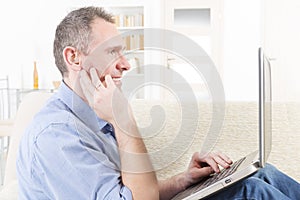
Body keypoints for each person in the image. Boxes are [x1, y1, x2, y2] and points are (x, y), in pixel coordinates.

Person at [17, 6, 300, 200]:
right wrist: (124, 119)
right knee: (250, 192)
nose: (126, 65)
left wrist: (184, 181)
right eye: (113, 52)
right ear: (73, 57)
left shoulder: (94, 117)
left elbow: (134, 192)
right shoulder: (56, 135)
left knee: (264, 174)